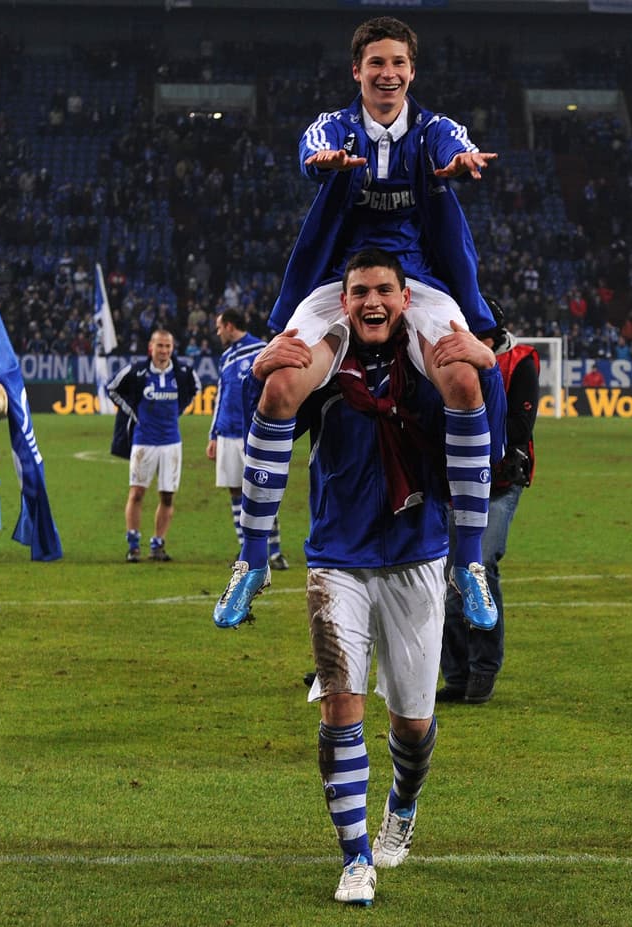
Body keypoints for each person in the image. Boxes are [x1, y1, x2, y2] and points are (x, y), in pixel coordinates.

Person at [214, 249, 506, 906]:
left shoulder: (433, 364)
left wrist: (482, 372)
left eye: (383, 291)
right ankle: (354, 859)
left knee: (411, 725)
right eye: (359, 292)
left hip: (417, 556)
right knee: (341, 706)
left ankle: (402, 803)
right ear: (341, 302)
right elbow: (269, 418)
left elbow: (480, 430)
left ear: (407, 299)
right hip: (336, 561)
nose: (372, 302)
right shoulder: (322, 364)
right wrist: (254, 373)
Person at [234, 16, 500, 630]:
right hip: (338, 284)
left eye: (398, 64)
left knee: (461, 376)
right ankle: (250, 560)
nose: (388, 74)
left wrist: (460, 163)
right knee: (278, 386)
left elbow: (451, 145)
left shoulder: (432, 129)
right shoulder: (334, 127)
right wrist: (321, 162)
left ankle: (468, 564)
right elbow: (312, 148)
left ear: (411, 71)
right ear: (357, 71)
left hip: (416, 286)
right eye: (376, 63)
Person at [439, 308, 539, 706]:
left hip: (500, 482)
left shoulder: (521, 362)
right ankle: (457, 674)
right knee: (447, 581)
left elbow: (518, 428)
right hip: (456, 483)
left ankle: (483, 670)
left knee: (479, 567)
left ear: (493, 337)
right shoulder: (447, 358)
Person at [205, 310, 291, 569]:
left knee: (262, 491)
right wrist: (213, 434)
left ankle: (274, 552)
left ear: (230, 325)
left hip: (252, 433)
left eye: (220, 327)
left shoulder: (262, 349)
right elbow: (221, 397)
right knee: (234, 491)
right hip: (227, 433)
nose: (218, 332)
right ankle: (247, 551)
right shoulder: (226, 357)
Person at [107, 328, 200, 562]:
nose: (164, 351)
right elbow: (112, 388)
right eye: (160, 346)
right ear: (151, 348)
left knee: (167, 496)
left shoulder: (182, 371)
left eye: (168, 346)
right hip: (143, 442)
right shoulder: (138, 371)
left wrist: (180, 409)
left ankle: (158, 544)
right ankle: (133, 545)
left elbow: (195, 389)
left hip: (171, 443)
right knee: (137, 493)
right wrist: (133, 412)